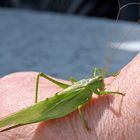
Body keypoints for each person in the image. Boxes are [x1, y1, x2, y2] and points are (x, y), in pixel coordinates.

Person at [0, 54, 140, 140]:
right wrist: (85, 124)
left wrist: (115, 79)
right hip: (60, 101)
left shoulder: (91, 85)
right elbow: (80, 108)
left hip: (74, 91)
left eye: (100, 80)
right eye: (99, 81)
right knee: (41, 79)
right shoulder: (88, 90)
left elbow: (98, 76)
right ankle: (35, 110)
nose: (101, 83)